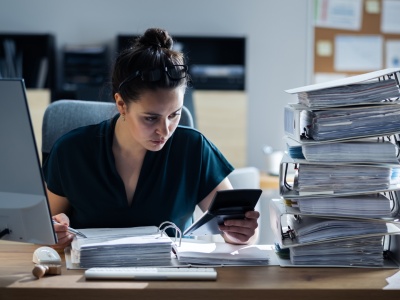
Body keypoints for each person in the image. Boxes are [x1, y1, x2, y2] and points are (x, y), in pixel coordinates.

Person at [43, 27, 260, 250]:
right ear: (121, 104)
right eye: (150, 118)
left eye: (174, 115)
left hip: (171, 279)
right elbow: (46, 231)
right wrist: (55, 235)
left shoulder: (193, 149)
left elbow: (240, 229)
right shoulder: (71, 151)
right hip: (92, 279)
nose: (165, 130)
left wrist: (241, 234)